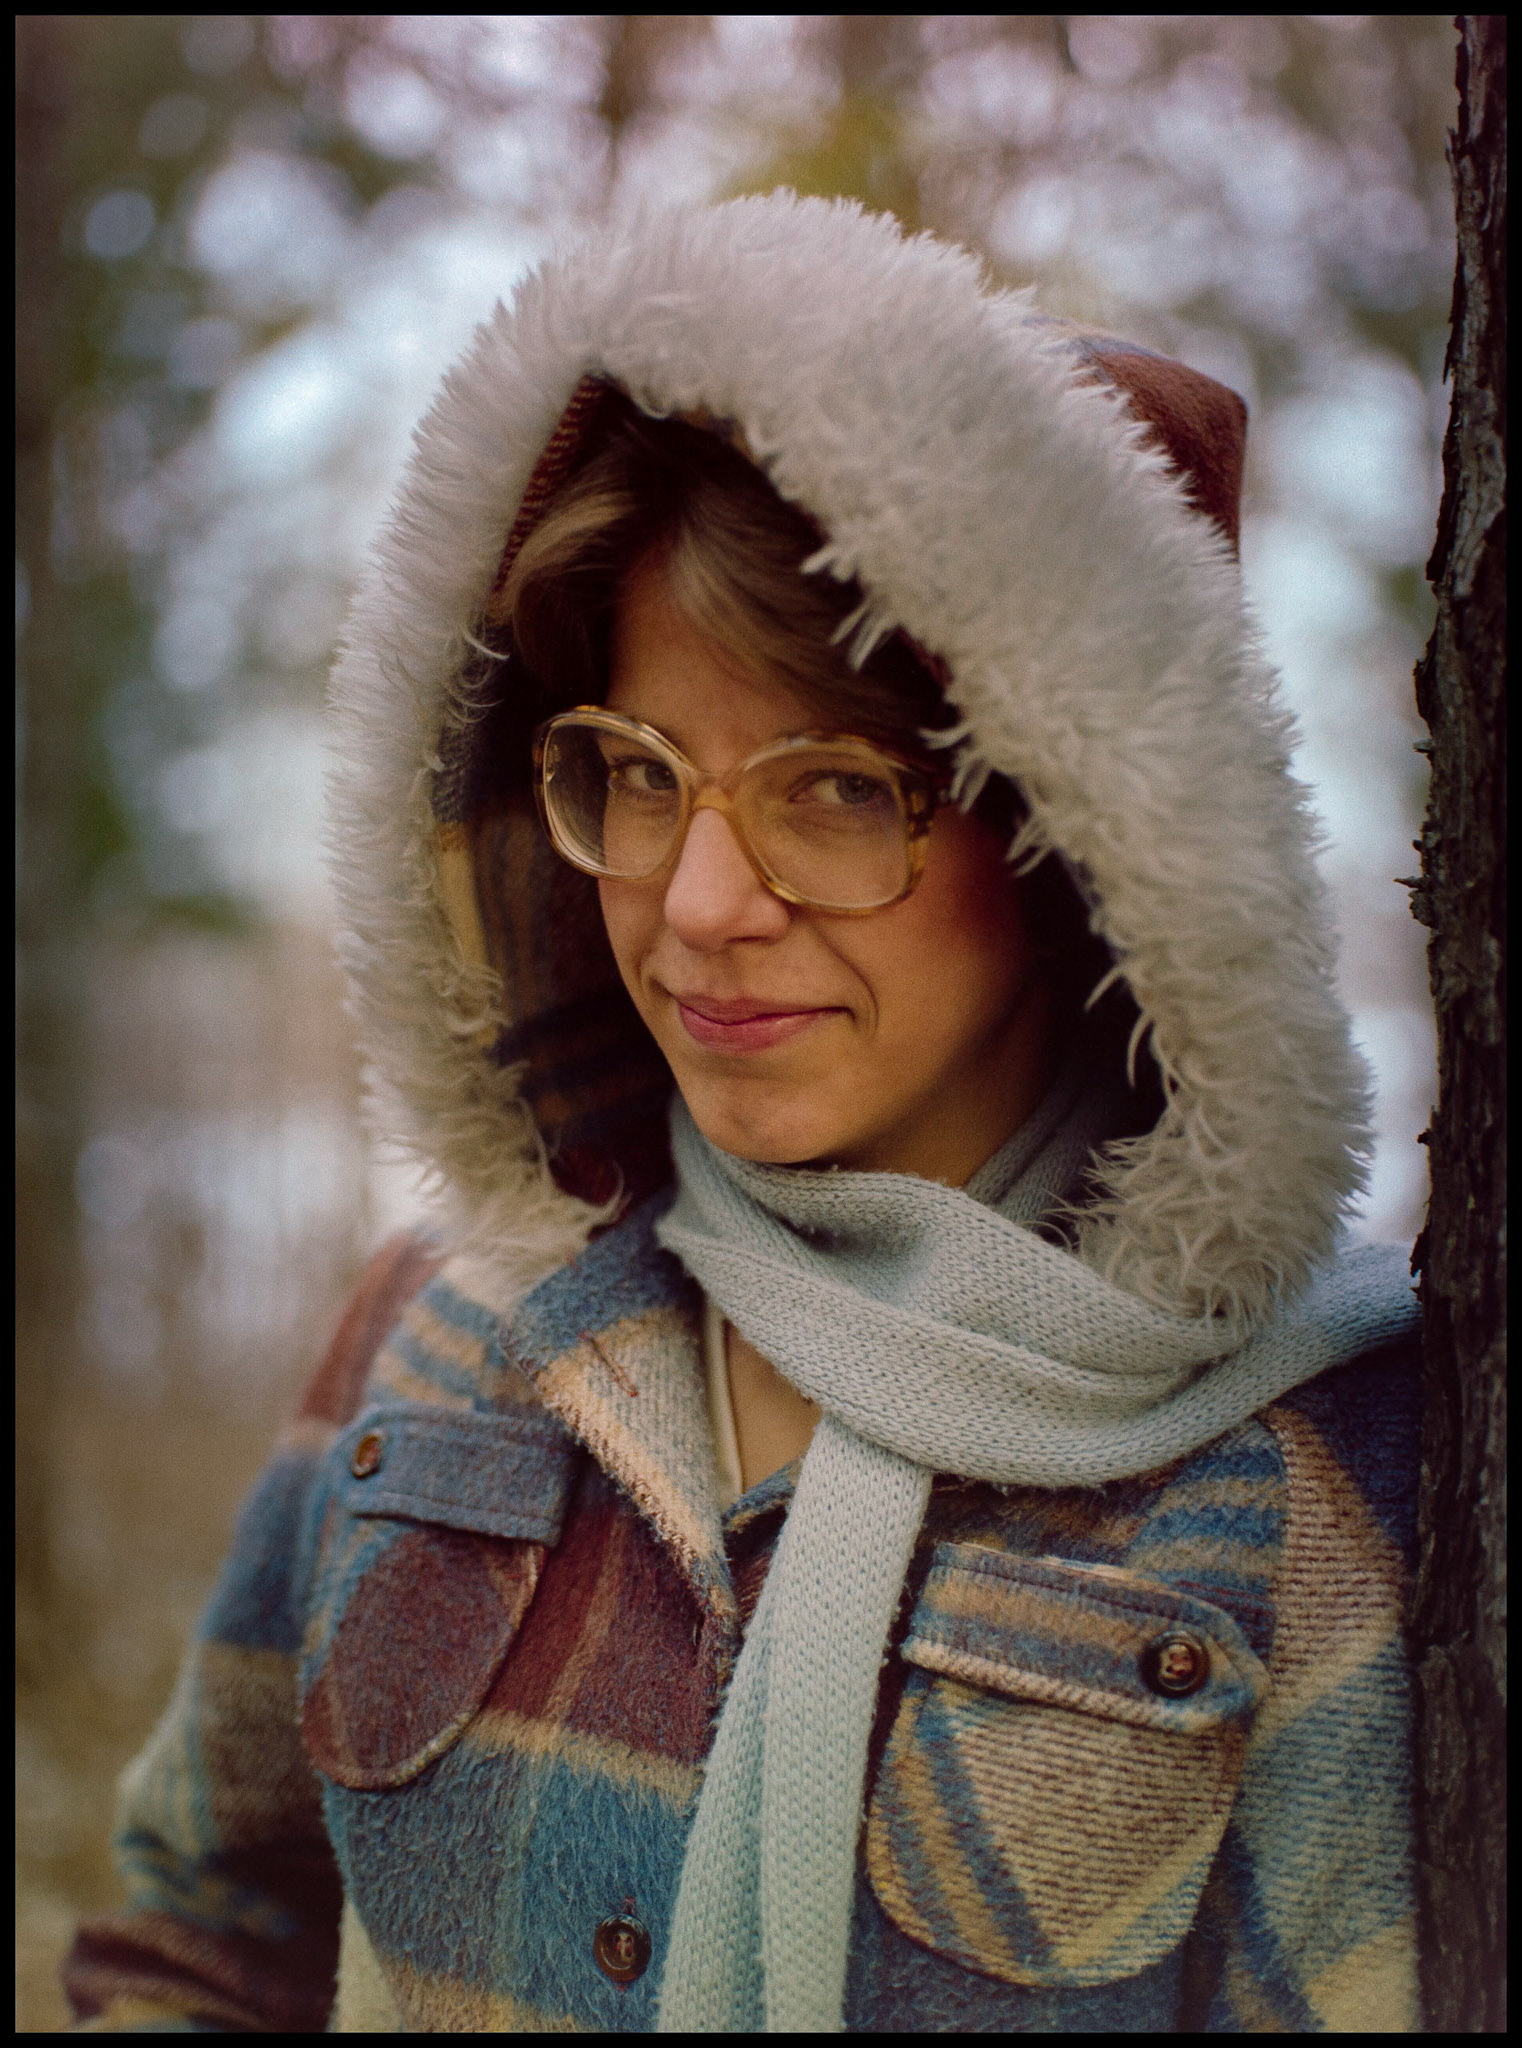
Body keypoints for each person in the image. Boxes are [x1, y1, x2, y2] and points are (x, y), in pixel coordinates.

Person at [63, 193, 1423, 2035]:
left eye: (835, 789)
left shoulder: (1306, 1480)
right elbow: (204, 1934)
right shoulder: (440, 1335)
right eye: (636, 773)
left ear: (1075, 842)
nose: (696, 903)